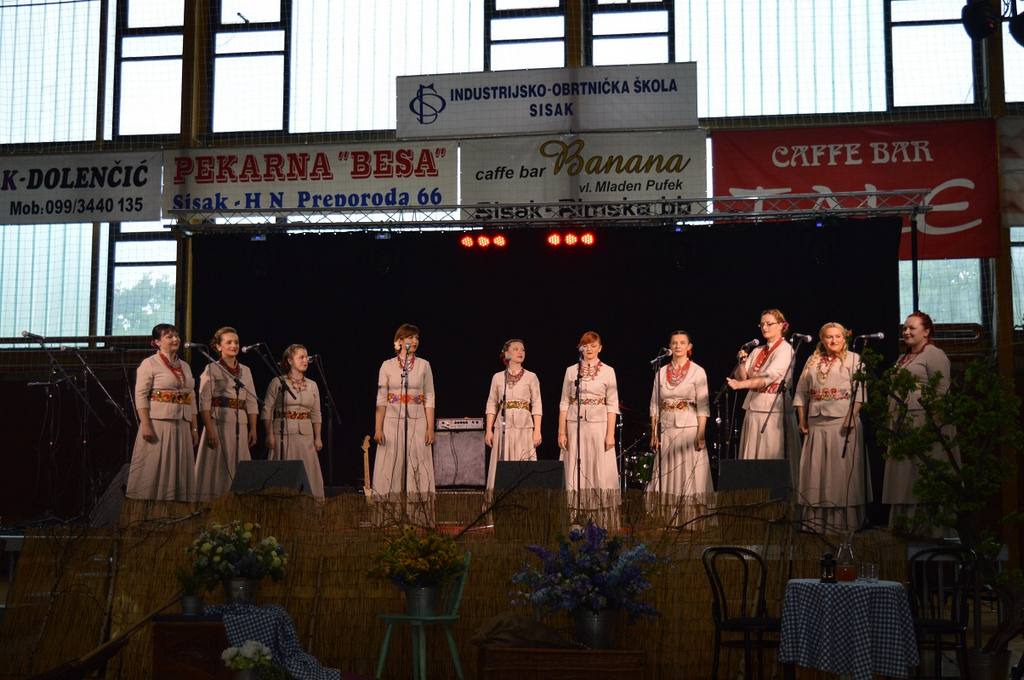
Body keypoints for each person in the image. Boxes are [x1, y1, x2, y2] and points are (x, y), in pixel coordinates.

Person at [793, 322, 870, 534]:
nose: (833, 340)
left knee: (840, 471)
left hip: (842, 421)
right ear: (822, 339)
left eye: (838, 336)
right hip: (816, 422)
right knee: (816, 470)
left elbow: (860, 392)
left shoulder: (854, 359)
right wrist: (802, 419)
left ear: (844, 338)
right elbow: (801, 392)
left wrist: (851, 416)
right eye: (829, 336)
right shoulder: (812, 360)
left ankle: (844, 522)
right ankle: (816, 521)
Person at [882, 311, 956, 530]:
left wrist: (934, 426)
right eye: (904, 328)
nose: (906, 331)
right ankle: (905, 526)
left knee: (920, 473)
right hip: (902, 423)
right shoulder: (903, 358)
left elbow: (942, 390)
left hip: (924, 423)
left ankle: (928, 529)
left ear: (926, 331)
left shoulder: (934, 354)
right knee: (904, 476)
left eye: (912, 328)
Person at [126, 323, 199, 501]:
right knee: (155, 466)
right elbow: (141, 395)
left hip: (182, 423)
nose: (175, 339)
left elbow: (191, 397)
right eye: (169, 336)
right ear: (157, 342)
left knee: (180, 468)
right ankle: (151, 506)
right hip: (158, 423)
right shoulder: (149, 363)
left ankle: (177, 506)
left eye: (176, 335)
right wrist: (145, 424)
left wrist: (194, 428)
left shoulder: (185, 366)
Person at [648, 330, 711, 526]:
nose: (677, 346)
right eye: (674, 342)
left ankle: (690, 519)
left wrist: (701, 433)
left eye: (682, 342)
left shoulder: (697, 371)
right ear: (669, 346)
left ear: (689, 347)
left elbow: (703, 406)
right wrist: (654, 433)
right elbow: (654, 405)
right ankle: (667, 518)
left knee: (688, 472)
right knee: (667, 471)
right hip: (667, 427)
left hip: (689, 426)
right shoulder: (661, 371)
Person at [373, 324, 436, 516]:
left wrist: (430, 427)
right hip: (392, 422)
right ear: (399, 341)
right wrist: (378, 428)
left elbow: (430, 397)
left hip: (418, 422)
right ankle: (390, 518)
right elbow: (381, 399)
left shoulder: (424, 365)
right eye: (410, 337)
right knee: (391, 467)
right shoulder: (387, 365)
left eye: (417, 338)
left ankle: (417, 517)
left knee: (417, 465)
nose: (415, 341)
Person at [727, 309, 800, 465]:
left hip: (774, 409)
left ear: (781, 325)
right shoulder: (757, 350)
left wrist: (740, 385)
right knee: (752, 454)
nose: (764, 327)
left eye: (769, 324)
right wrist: (741, 362)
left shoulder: (785, 349)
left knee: (771, 454)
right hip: (754, 406)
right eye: (761, 324)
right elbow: (742, 376)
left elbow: (767, 378)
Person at [194, 326, 259, 501]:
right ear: (218, 346)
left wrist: (253, 428)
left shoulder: (246, 370)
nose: (234, 345)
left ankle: (238, 502)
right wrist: (209, 430)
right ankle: (214, 501)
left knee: (239, 462)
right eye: (229, 342)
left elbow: (251, 401)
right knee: (218, 465)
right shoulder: (212, 369)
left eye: (236, 342)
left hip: (241, 424)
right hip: (219, 424)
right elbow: (204, 402)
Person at [558, 331, 620, 505]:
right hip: (574, 424)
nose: (589, 349)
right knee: (574, 465)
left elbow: (612, 404)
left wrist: (610, 434)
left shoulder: (608, 371)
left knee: (597, 464)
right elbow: (564, 402)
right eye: (585, 345)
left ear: (600, 348)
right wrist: (561, 432)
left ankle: (599, 509)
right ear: (580, 348)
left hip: (599, 425)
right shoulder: (571, 371)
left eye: (593, 345)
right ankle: (573, 509)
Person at [263, 344, 325, 499]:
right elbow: (267, 410)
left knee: (308, 471)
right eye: (301, 357)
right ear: (290, 361)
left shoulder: (312, 385)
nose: (305, 360)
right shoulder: (277, 382)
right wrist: (269, 434)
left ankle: (310, 504)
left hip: (306, 436)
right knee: (283, 473)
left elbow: (316, 413)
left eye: (306, 357)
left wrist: (318, 437)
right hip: (283, 434)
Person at [484, 339, 542, 493]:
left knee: (523, 462)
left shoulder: (531, 377)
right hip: (503, 425)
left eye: (523, 349)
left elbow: (537, 404)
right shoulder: (498, 377)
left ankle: (526, 497)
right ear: (506, 353)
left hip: (524, 426)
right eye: (516, 349)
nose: (520, 352)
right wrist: (489, 430)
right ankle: (499, 498)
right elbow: (491, 404)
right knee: (503, 461)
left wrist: (537, 430)